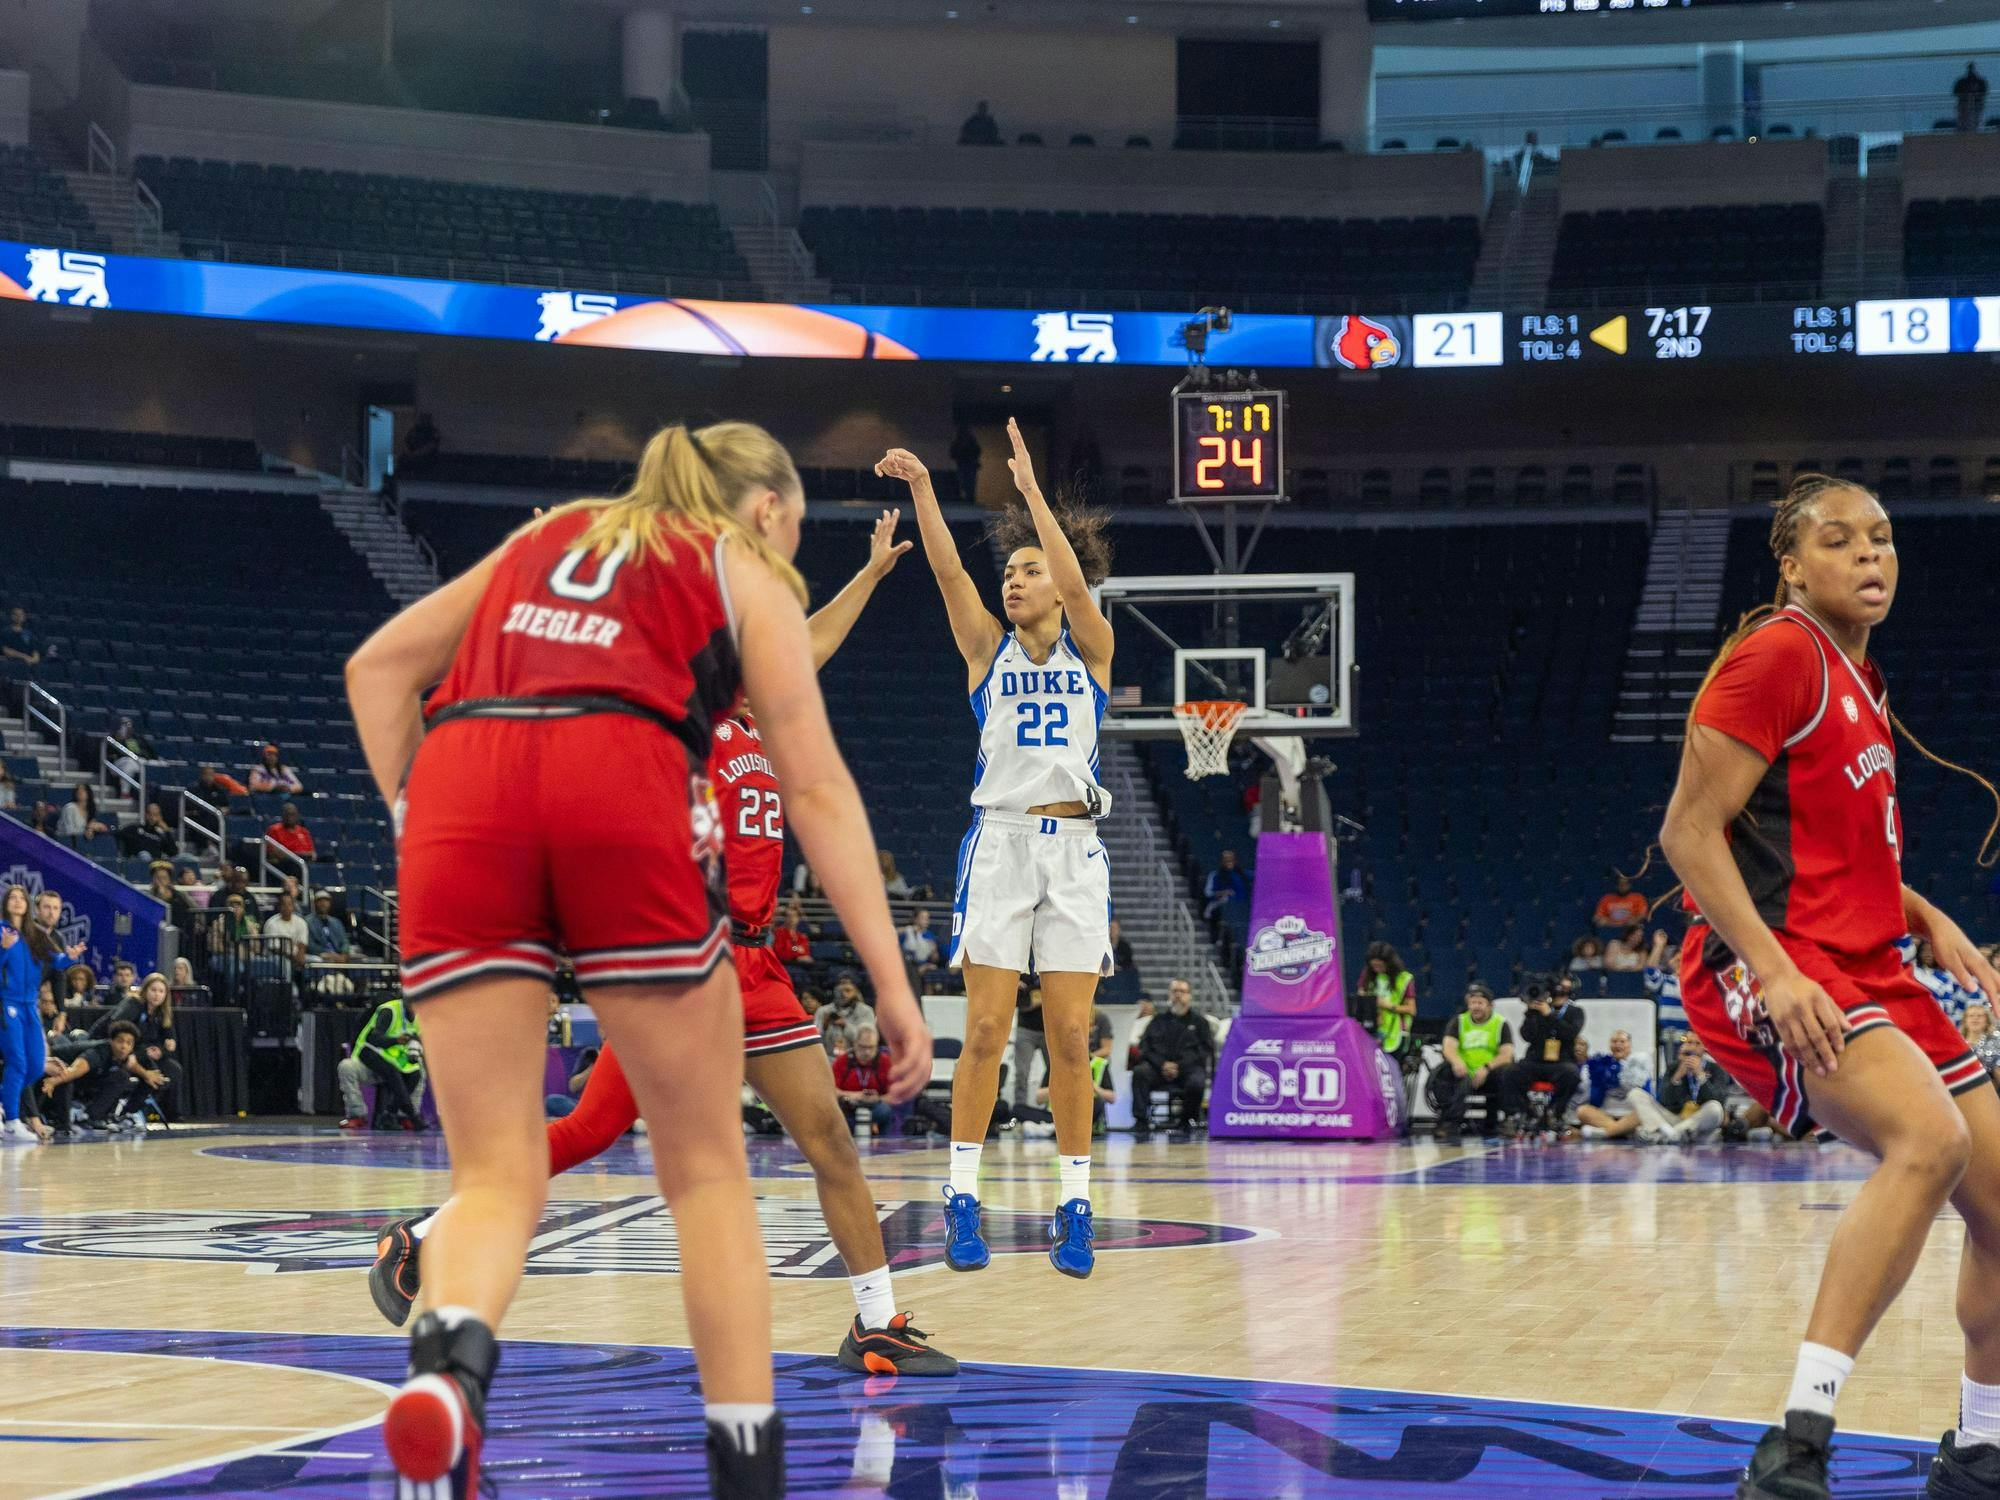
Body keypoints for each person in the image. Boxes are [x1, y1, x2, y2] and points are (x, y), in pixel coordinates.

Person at [347, 420, 928, 1499]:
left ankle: (450, 1368)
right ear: (763, 510)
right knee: (705, 1173)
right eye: (796, 531)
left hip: (465, 797)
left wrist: (417, 826)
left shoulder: (556, 535)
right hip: (628, 815)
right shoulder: (732, 571)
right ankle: (745, 1465)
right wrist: (892, 982)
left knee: (498, 1173)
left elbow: (377, 668)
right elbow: (817, 786)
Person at [1658, 473, 2000, 1498]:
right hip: (1773, 962)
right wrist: (1773, 971)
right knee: (1929, 1140)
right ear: (1792, 566)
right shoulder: (1778, 653)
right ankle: (1795, 1444)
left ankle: (1981, 1450)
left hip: (1868, 959)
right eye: (1839, 540)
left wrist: (1925, 915)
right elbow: (1686, 833)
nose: (1867, 555)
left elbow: (1835, 853)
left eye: (1880, 538)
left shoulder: (1863, 678)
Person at [879, 419, 1114, 1279]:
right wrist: (923, 489)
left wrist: (1031, 495)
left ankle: (1075, 1206)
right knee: (985, 1028)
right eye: (1008, 571)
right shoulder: (987, 649)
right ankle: (963, 1195)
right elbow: (948, 572)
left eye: (1028, 570)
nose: (1013, 580)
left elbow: (1075, 580)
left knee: (1071, 1034)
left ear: (1062, 582)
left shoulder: (1093, 647)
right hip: (1003, 844)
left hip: (1076, 850)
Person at [1495, 975, 1585, 1133]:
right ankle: (1525, 1112)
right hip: (1535, 1060)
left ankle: (1554, 1112)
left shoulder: (1575, 1012)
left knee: (1572, 1074)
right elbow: (1526, 1036)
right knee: (1510, 1073)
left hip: (1561, 1062)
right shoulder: (1535, 1011)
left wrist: (1549, 1015)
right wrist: (1531, 1013)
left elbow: (1570, 1033)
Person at [1129, 977, 1213, 1140]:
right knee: (1140, 1072)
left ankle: (1187, 1121)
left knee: (1197, 1081)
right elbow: (1145, 1048)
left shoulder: (1200, 1022)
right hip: (1158, 1069)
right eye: (1175, 991)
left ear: (1189, 995)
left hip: (1187, 1069)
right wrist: (1162, 1064)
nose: (1178, 995)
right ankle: (1141, 1121)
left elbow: (1204, 1050)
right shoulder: (1157, 1021)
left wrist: (1179, 1066)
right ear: (1169, 994)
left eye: (1182, 991)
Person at [1432, 982, 1514, 1142]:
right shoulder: (1459, 1021)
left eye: (1480, 1003)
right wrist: (1457, 1062)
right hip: (1463, 1071)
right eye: (1472, 1003)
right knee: (1444, 1073)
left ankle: (1504, 1120)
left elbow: (1507, 1055)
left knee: (1508, 1072)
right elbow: (1448, 1047)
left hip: (1489, 1073)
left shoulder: (1500, 1023)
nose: (1475, 1007)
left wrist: (1486, 1068)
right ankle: (1448, 1123)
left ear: (1490, 1006)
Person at [338, 991, 425, 1131]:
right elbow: (372, 1039)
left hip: (396, 1063)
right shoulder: (388, 1011)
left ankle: (403, 1117)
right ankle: (357, 1115)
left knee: (418, 1071)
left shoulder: (421, 1017)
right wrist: (396, 1040)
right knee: (346, 1067)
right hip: (373, 1061)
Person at [1573, 1029, 1656, 1141]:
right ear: (1610, 1045)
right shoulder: (1601, 1064)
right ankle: (1622, 1132)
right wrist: (1600, 1081)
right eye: (1614, 1041)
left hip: (1631, 1115)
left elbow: (1648, 1097)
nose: (1618, 1045)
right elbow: (1595, 1102)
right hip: (1606, 1115)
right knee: (1582, 1111)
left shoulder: (1639, 1064)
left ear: (1629, 1045)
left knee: (1646, 1112)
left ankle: (1607, 1133)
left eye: (1622, 1041)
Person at [1657, 1033, 1730, 1143]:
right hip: (1678, 1117)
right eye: (1689, 1043)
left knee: (1715, 1108)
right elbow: (1663, 1100)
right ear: (1684, 1045)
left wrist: (1701, 1076)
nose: (1692, 1047)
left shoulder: (1717, 1069)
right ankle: (1680, 1134)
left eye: (1697, 1044)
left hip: (1702, 1119)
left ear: (1705, 1047)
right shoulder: (1674, 1067)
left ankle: (1672, 1135)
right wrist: (1677, 1077)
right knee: (1637, 1095)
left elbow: (1719, 1100)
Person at [1356, 942, 1417, 1062]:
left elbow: (1412, 1009)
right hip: (1371, 1030)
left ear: (1389, 963)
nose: (1376, 969)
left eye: (1380, 966)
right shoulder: (1368, 975)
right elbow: (1361, 996)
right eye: (1374, 966)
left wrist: (1387, 1005)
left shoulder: (1404, 979)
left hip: (1394, 1034)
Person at [832, 1025, 895, 1133]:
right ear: (855, 1044)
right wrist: (852, 1095)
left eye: (871, 1047)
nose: (867, 1052)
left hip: (876, 1107)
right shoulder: (843, 1061)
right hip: (849, 1107)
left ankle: (884, 1140)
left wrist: (878, 1099)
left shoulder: (885, 1062)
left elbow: (895, 1095)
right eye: (863, 1047)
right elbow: (830, 1090)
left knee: (885, 1111)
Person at [815, 975, 875, 1058]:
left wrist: (845, 1025)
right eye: (839, 991)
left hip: (856, 1059)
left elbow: (868, 1040)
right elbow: (815, 1043)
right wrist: (824, 1027)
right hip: (829, 1058)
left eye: (848, 990)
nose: (843, 994)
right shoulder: (823, 1011)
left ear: (856, 992)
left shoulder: (866, 1011)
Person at [263, 888, 311, 987]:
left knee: (317, 961)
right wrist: (295, 958)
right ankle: (289, 990)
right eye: (283, 904)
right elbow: (275, 949)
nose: (286, 907)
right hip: (276, 957)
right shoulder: (271, 923)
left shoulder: (301, 922)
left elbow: (302, 943)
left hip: (296, 956)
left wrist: (300, 955)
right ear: (279, 907)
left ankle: (313, 989)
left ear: (293, 906)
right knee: (285, 963)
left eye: (289, 904)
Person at [1202, 849, 1249, 924]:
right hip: (1223, 910)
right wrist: (1223, 892)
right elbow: (1208, 893)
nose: (1229, 863)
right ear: (1222, 862)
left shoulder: (1242, 875)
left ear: (1235, 861)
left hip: (1241, 908)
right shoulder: (1214, 875)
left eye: (1231, 860)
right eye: (1226, 860)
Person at [950, 422, 982, 501]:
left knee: (970, 483)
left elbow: (977, 451)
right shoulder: (959, 441)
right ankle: (964, 498)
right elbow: (953, 453)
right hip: (962, 465)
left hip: (970, 465)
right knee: (962, 483)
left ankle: (969, 498)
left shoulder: (971, 441)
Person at [1956, 62, 1989, 131]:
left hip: (1977, 104)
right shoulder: (1961, 81)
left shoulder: (1980, 81)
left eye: (1972, 68)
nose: (1971, 70)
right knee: (1964, 120)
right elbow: (1956, 91)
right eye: (1970, 68)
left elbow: (1984, 92)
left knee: (1977, 119)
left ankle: (1977, 131)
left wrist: (1975, 96)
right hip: (1964, 104)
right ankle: (1964, 131)